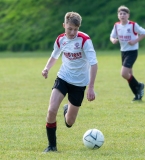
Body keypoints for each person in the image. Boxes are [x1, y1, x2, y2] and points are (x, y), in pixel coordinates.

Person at [42, 11, 98, 152]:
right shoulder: (60, 39)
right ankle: (52, 146)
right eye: (70, 29)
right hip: (63, 78)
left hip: (79, 84)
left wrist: (90, 87)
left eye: (75, 29)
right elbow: (54, 56)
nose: (72, 32)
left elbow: (94, 63)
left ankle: (67, 110)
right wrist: (47, 68)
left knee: (69, 122)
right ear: (64, 25)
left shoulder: (84, 40)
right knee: (51, 110)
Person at [110, 5, 145, 101]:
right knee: (129, 74)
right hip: (123, 52)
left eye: (124, 14)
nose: (122, 15)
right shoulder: (117, 26)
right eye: (120, 14)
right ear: (118, 15)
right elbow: (112, 36)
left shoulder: (133, 25)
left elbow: (143, 33)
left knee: (124, 73)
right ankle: (137, 95)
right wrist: (113, 40)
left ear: (128, 15)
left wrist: (135, 41)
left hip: (132, 52)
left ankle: (139, 85)